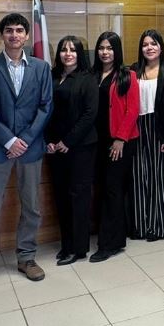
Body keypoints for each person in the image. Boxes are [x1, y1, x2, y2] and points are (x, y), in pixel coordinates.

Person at [0, 13, 53, 295]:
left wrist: (25, 139)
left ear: (27, 36)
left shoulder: (41, 68)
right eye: (9, 30)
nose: (14, 35)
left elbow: (45, 107)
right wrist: (8, 140)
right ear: (3, 35)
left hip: (30, 149)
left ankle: (26, 257)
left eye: (19, 30)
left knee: (31, 206)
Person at [46, 36, 98, 265]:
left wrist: (68, 141)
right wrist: (48, 140)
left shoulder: (88, 79)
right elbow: (46, 111)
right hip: (55, 148)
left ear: (80, 54)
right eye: (63, 50)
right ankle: (66, 244)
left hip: (80, 148)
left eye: (73, 50)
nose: (68, 54)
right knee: (61, 196)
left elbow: (89, 114)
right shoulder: (52, 76)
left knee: (79, 198)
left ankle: (79, 248)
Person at [90, 31, 139, 262]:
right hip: (95, 141)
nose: (105, 52)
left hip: (118, 142)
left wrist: (120, 139)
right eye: (101, 47)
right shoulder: (92, 74)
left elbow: (133, 110)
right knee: (103, 189)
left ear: (116, 50)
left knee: (113, 190)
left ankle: (110, 243)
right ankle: (113, 235)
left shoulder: (127, 75)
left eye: (109, 48)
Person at [131, 30, 164, 241]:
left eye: (153, 44)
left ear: (161, 47)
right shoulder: (133, 70)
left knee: (157, 177)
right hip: (136, 129)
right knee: (138, 177)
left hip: (159, 130)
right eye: (145, 44)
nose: (149, 48)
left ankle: (158, 226)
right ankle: (140, 226)